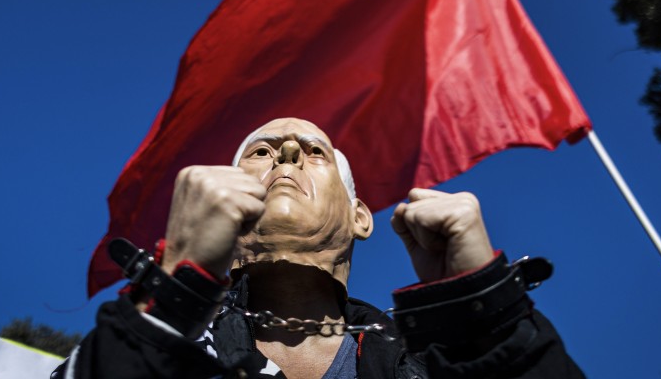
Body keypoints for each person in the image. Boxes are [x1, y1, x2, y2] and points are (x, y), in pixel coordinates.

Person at [55, 117, 584, 378]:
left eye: (314, 152)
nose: (286, 153)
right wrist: (173, 294)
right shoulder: (163, 341)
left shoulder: (427, 363)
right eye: (261, 152)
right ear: (217, 198)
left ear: (360, 218)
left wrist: (485, 314)